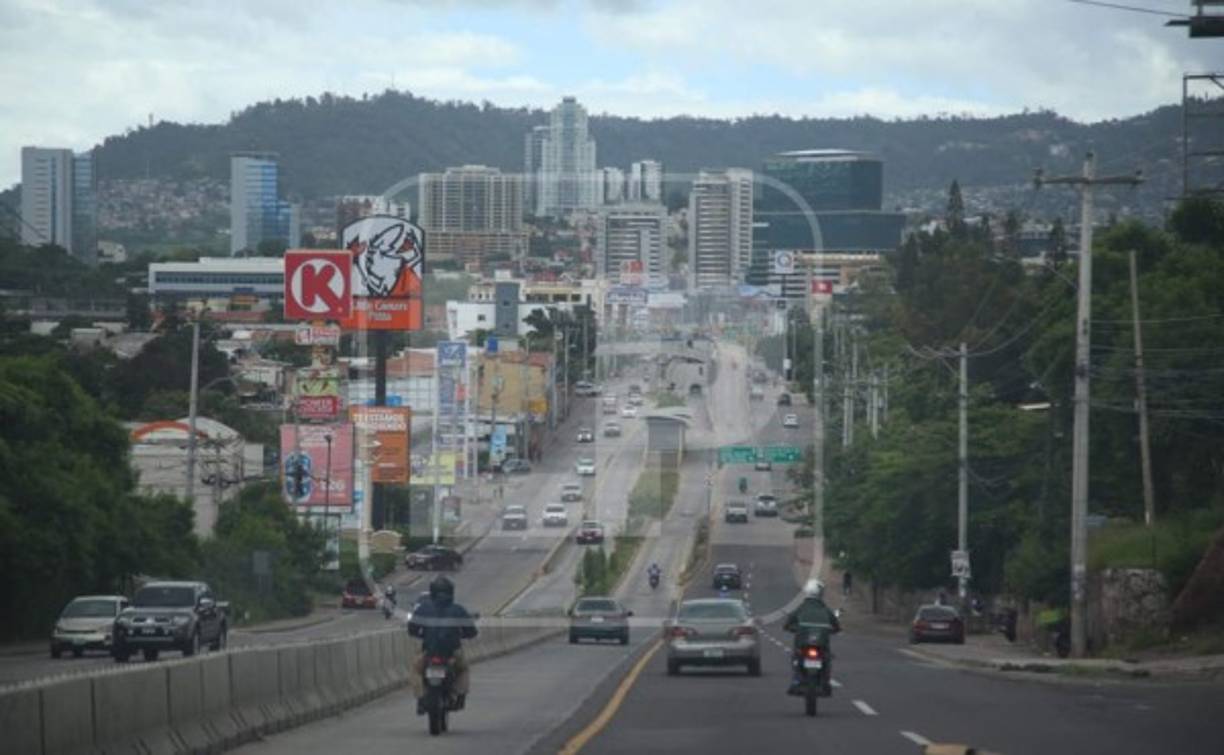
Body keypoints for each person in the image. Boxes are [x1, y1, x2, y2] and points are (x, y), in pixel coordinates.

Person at [408, 576, 478, 713]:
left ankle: (421, 698)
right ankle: (460, 696)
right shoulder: (458, 610)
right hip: (452, 653)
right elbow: (472, 632)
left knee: (415, 670)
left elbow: (412, 629)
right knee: (463, 669)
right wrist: (462, 635)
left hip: (429, 651)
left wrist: (423, 635)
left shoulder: (423, 608)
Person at [784, 579, 841, 695]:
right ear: (820, 593)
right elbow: (836, 624)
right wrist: (835, 629)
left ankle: (796, 681)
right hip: (821, 645)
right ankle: (824, 681)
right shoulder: (825, 609)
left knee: (796, 658)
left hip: (803, 644)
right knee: (826, 658)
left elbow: (788, 622)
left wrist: (790, 627)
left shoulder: (802, 607)